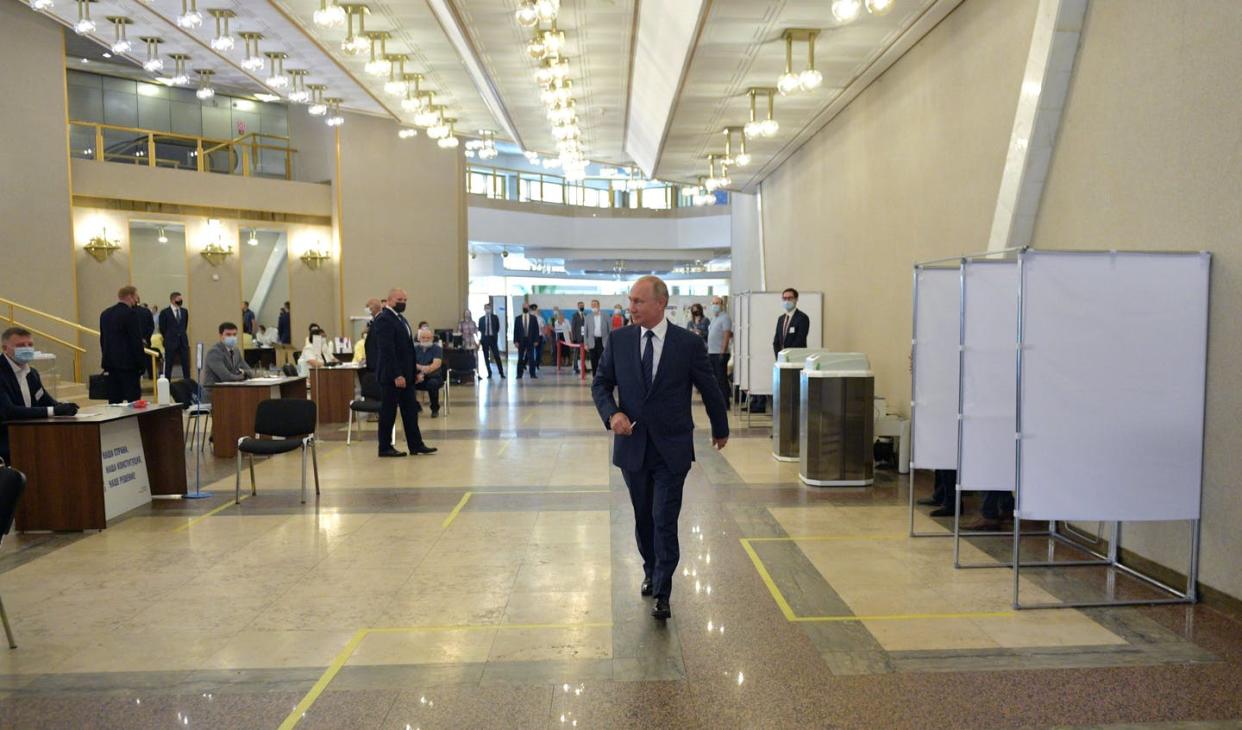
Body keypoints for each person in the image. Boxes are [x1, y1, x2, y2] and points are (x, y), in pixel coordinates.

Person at [591, 275, 729, 621]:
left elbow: (709, 388)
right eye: (630, 300)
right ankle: (651, 569)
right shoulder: (620, 340)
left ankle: (663, 589)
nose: (631, 307)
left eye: (638, 301)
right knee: (643, 517)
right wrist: (613, 415)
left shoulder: (687, 343)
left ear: (660, 303)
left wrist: (720, 426)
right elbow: (601, 384)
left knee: (663, 517)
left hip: (672, 448)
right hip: (633, 446)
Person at [372, 288, 436, 457]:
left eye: (405, 300)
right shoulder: (384, 319)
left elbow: (408, 349)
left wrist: (412, 372)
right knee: (388, 412)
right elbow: (387, 350)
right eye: (400, 299)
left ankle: (416, 445)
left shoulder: (401, 319)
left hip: (406, 376)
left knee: (410, 411)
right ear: (390, 299)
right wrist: (396, 374)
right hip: (391, 376)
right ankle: (385, 447)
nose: (403, 303)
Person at [0, 327, 78, 463]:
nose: (27, 349)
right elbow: (9, 411)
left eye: (30, 345)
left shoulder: (32, 373)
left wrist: (63, 407)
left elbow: (44, 399)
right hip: (6, 441)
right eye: (20, 345)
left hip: (29, 438)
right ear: (5, 348)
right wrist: (53, 411)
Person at [100, 285, 146, 403]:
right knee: (133, 401)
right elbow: (136, 341)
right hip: (129, 366)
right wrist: (141, 364)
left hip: (110, 364)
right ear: (130, 296)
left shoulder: (105, 314)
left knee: (114, 402)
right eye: (136, 297)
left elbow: (103, 340)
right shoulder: (131, 314)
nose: (137, 300)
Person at [200, 322, 253, 402]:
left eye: (234, 335)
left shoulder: (236, 351)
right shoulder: (214, 352)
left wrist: (243, 373)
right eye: (228, 334)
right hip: (214, 397)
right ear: (221, 336)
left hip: (231, 394)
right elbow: (227, 377)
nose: (232, 337)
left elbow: (250, 372)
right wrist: (243, 375)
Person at [158, 291, 190, 380]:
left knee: (186, 364)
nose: (180, 301)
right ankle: (167, 384)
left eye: (181, 299)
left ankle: (187, 383)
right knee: (169, 364)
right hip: (170, 341)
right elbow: (162, 328)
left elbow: (184, 325)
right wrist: (168, 336)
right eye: (178, 299)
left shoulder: (184, 311)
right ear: (172, 300)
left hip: (183, 341)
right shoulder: (165, 312)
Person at [706, 295, 733, 403]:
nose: (715, 305)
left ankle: (724, 402)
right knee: (715, 379)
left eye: (717, 303)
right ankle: (718, 400)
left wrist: (722, 352)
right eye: (713, 303)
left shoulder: (725, 317)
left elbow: (726, 335)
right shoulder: (714, 318)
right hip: (712, 353)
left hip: (720, 353)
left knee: (721, 379)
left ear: (722, 305)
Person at [415, 327, 444, 417]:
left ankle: (434, 409)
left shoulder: (437, 349)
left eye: (428, 338)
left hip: (433, 376)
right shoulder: (414, 349)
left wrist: (422, 370)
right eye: (423, 337)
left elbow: (436, 364)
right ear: (419, 339)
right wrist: (418, 374)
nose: (426, 339)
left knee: (433, 384)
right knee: (407, 383)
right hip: (417, 376)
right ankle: (416, 407)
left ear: (432, 338)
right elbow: (410, 363)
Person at [773, 287, 809, 355]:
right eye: (784, 298)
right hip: (782, 360)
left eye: (790, 298)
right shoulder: (781, 319)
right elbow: (776, 342)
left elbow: (800, 341)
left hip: (796, 358)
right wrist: (779, 358)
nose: (787, 301)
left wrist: (788, 356)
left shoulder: (802, 318)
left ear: (796, 299)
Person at [583, 298, 611, 374]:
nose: (593, 306)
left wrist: (610, 343)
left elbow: (610, 330)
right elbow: (586, 331)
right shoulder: (588, 316)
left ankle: (602, 376)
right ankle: (595, 377)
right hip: (592, 342)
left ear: (599, 306)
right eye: (592, 305)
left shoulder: (606, 315)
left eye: (595, 305)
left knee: (602, 361)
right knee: (593, 360)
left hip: (603, 342)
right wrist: (585, 344)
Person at [477, 303, 505, 379]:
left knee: (496, 356)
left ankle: (501, 372)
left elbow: (497, 328)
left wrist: (493, 335)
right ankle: (489, 373)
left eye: (489, 308)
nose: (487, 309)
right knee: (486, 357)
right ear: (484, 309)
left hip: (493, 339)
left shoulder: (495, 317)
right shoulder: (481, 319)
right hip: (484, 339)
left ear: (491, 309)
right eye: (486, 308)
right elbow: (479, 329)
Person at [513, 304, 539, 379]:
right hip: (521, 340)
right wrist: (515, 341)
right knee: (520, 358)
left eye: (526, 307)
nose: (525, 308)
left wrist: (536, 340)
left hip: (530, 340)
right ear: (522, 308)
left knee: (531, 358)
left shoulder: (533, 318)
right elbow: (515, 331)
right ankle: (519, 374)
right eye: (524, 307)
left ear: (529, 308)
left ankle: (533, 374)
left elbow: (536, 330)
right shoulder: (518, 318)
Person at [140, 300, 156, 380]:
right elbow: (151, 326)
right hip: (146, 340)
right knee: (148, 359)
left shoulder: (130, 311)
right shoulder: (147, 312)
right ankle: (151, 377)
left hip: (134, 341)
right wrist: (146, 338)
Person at [570, 301, 586, 373]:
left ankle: (583, 367)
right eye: (580, 306)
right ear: (578, 306)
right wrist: (573, 338)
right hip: (577, 338)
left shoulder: (585, 315)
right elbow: (573, 327)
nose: (581, 307)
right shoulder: (574, 315)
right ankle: (575, 367)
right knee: (576, 353)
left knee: (583, 353)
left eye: (582, 305)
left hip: (584, 337)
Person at [530, 304, 546, 369]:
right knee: (532, 351)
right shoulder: (530, 317)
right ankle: (532, 363)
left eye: (534, 309)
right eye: (533, 310)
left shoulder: (540, 318)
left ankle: (536, 363)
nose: (533, 311)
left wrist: (544, 336)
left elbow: (542, 328)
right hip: (532, 337)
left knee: (538, 351)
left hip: (538, 336)